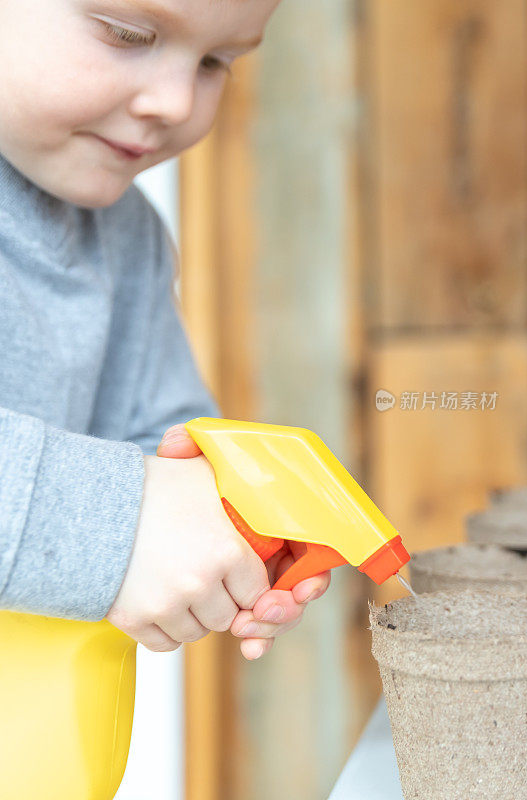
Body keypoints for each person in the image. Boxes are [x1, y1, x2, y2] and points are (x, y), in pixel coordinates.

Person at [0, 0, 331, 662]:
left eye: (216, 62)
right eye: (126, 33)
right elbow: (129, 510)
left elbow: (159, 443)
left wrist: (236, 526)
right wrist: (119, 525)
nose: (177, 103)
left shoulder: (129, 238)